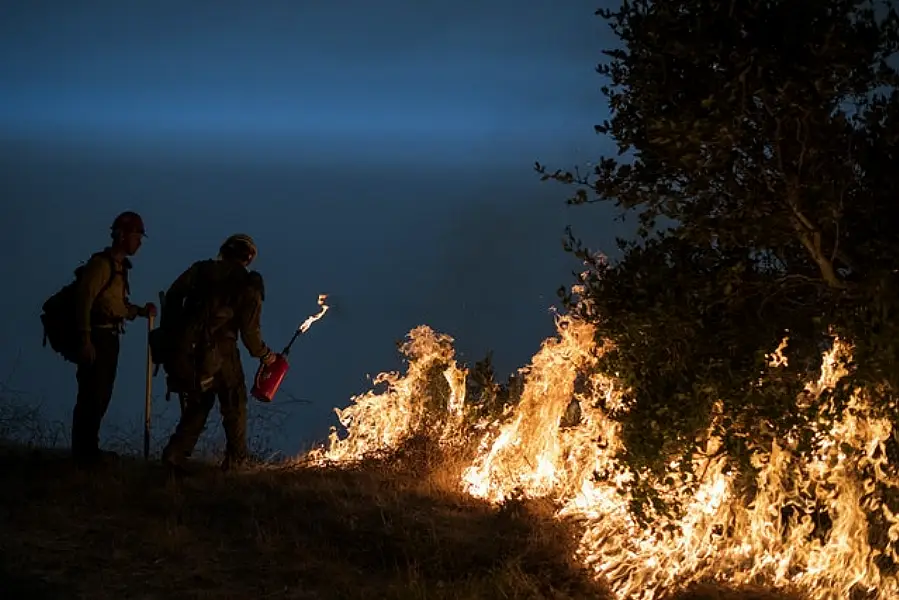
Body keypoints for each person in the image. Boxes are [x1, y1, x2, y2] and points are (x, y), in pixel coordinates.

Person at [159, 233, 276, 474]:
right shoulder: (248, 282)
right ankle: (236, 462)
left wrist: (176, 335)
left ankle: (175, 454)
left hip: (188, 349)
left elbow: (172, 296)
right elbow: (249, 333)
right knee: (234, 402)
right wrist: (265, 355)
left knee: (199, 402)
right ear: (249, 256)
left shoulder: (201, 270)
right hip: (222, 351)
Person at [72, 211, 156, 467]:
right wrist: (85, 339)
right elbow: (84, 300)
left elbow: (116, 305)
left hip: (110, 336)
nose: (139, 242)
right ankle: (84, 454)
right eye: (136, 236)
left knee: (101, 394)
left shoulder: (119, 269)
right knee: (92, 394)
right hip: (97, 335)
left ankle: (88, 451)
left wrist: (141, 312)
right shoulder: (101, 265)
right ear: (121, 236)